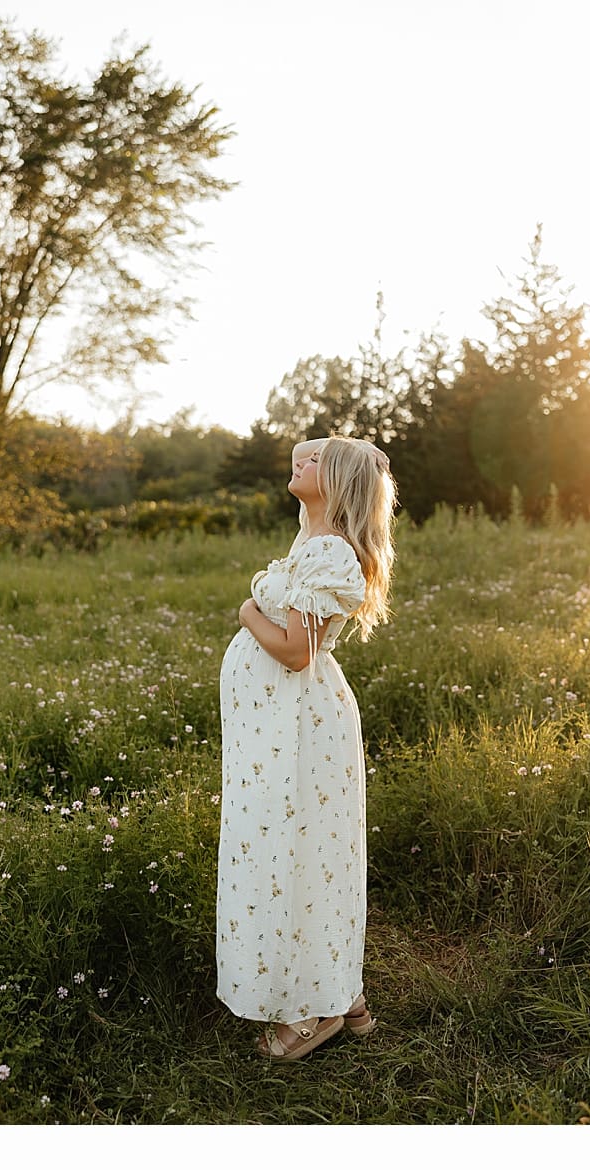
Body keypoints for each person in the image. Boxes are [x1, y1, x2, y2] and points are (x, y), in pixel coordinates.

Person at [215, 434, 396, 1061]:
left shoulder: (330, 552)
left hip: (300, 729)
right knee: (302, 852)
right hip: (279, 729)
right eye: (297, 456)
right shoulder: (311, 542)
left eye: (314, 460)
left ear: (341, 480)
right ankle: (343, 995)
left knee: (302, 854)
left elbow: (296, 651)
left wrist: (246, 612)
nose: (299, 460)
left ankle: (318, 1010)